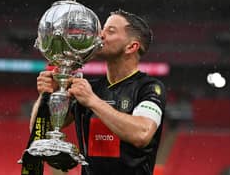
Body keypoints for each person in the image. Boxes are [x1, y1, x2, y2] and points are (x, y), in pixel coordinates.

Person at [31, 9, 166, 175]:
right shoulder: (88, 88)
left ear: (132, 46)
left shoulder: (149, 87)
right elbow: (39, 132)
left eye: (110, 31)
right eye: (102, 30)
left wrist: (93, 101)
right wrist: (46, 95)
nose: (100, 35)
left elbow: (142, 134)